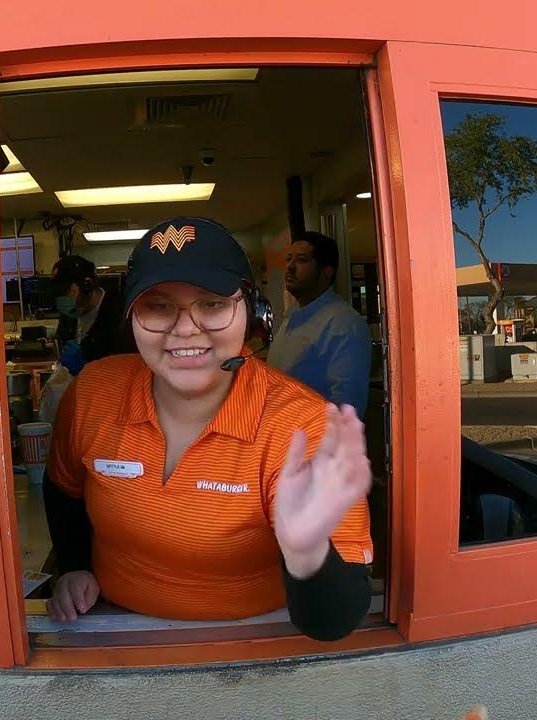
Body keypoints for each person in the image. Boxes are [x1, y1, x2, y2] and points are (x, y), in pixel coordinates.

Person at [43, 216, 374, 641]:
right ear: (131, 316)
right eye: (158, 305)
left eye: (213, 303)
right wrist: (73, 565)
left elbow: (335, 621)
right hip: (115, 629)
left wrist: (307, 553)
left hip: (253, 646)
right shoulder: (93, 392)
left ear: (247, 309)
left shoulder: (302, 425)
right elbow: (63, 487)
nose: (185, 329)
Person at [267, 231, 373, 417]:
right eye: (289, 259)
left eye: (302, 260)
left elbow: (347, 409)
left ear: (326, 271)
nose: (290, 267)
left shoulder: (343, 323)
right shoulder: (291, 319)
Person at [48, 254, 127, 373]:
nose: (63, 300)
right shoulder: (69, 315)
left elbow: (124, 369)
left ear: (87, 285)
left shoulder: (119, 316)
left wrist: (88, 368)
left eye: (69, 292)